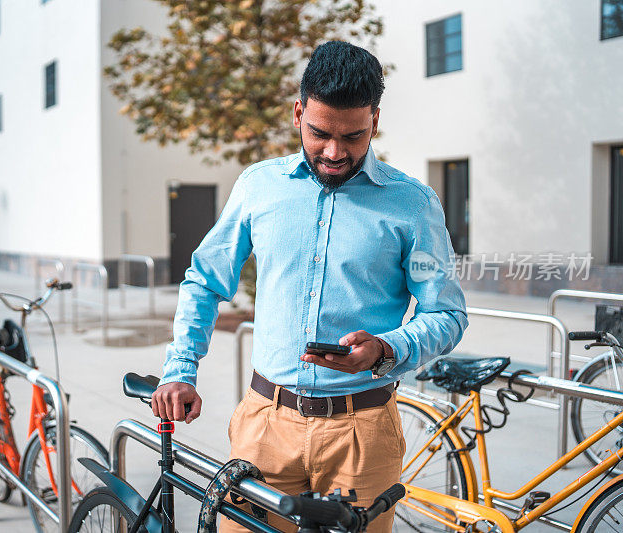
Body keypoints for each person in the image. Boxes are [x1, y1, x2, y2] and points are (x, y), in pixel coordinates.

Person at [151, 40, 468, 533]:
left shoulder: (413, 204)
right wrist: (179, 370)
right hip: (265, 426)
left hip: (363, 435)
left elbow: (447, 315)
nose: (335, 152)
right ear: (298, 113)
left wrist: (387, 348)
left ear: (375, 122)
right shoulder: (259, 186)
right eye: (320, 133)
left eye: (354, 136)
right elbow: (204, 280)